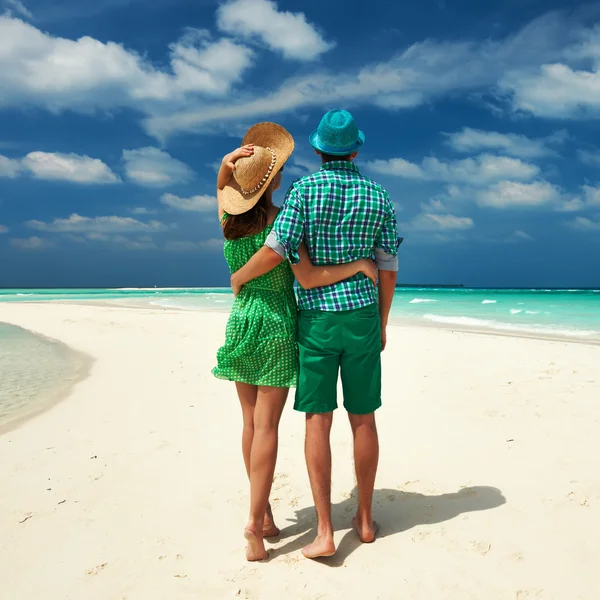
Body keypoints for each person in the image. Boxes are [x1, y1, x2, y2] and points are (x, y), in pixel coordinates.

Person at [230, 110, 400, 559]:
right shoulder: (379, 196)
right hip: (362, 315)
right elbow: (387, 266)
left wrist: (240, 278)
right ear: (356, 149)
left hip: (317, 322)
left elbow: (275, 250)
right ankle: (363, 519)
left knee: (317, 421)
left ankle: (325, 531)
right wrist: (382, 321)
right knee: (363, 419)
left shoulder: (305, 190)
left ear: (320, 149)